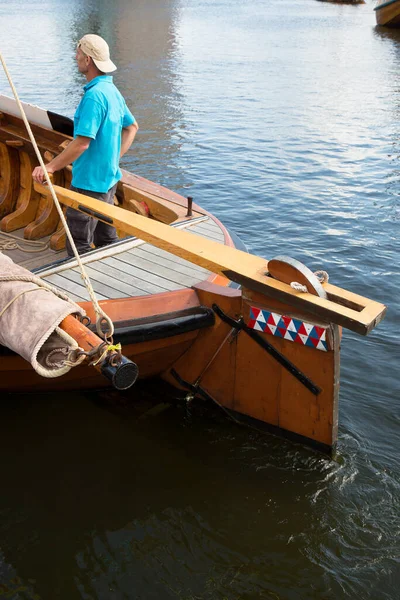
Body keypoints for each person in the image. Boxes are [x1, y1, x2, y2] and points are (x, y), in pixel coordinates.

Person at [32, 34, 139, 256]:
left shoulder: (94, 97)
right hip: (109, 180)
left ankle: (81, 289)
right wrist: (112, 159)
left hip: (88, 185)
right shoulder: (112, 91)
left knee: (78, 245)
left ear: (88, 60)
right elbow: (132, 127)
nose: (75, 57)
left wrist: (50, 167)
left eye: (79, 54)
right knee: (106, 241)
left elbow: (81, 143)